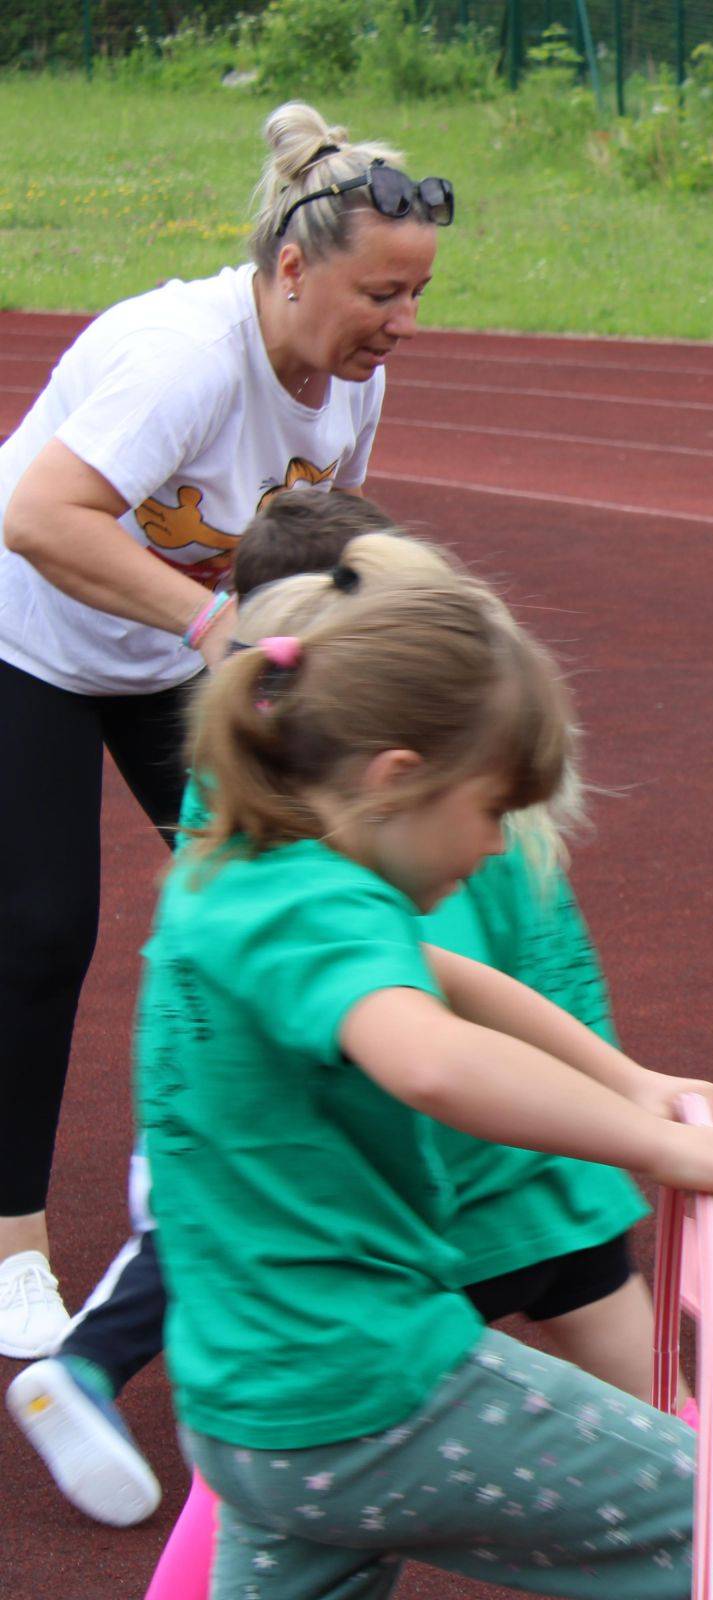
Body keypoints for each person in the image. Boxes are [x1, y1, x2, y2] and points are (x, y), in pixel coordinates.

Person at [124, 573, 713, 1597]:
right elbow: (432, 1058)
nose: (498, 846)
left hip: (254, 1410)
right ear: (396, 775)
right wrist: (652, 1145)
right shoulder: (316, 906)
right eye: (491, 811)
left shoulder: (242, 872)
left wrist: (630, 1079)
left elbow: (448, 976)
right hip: (370, 1391)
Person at [0, 100, 447, 1351]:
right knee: (40, 928)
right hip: (24, 636)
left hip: (169, 646)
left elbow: (314, 539)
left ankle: (302, 1194)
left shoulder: (344, 377)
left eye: (417, 296)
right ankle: (12, 1243)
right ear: (292, 267)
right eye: (381, 295)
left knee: (294, 880)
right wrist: (213, 636)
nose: (403, 326)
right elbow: (38, 516)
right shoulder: (182, 353)